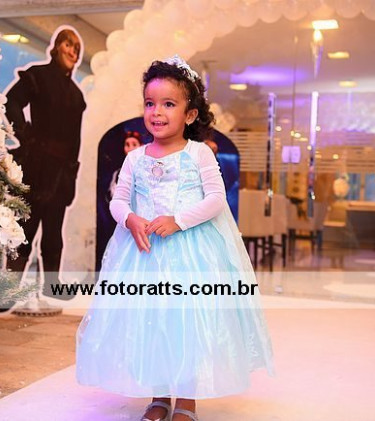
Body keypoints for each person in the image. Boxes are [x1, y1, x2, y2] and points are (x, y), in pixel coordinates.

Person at [76, 56, 273, 421]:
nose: (157, 112)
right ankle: (159, 397)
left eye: (169, 104)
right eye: (150, 103)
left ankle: (186, 400)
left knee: (186, 325)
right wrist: (130, 218)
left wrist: (179, 221)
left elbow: (216, 199)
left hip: (191, 253)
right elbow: (118, 200)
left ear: (190, 114)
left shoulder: (199, 153)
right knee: (152, 323)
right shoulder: (135, 158)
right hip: (145, 254)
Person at [4, 27, 86, 293]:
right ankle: (9, 290)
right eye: (69, 45)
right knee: (26, 228)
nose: (73, 52)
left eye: (77, 48)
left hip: (62, 173)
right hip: (36, 167)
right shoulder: (38, 75)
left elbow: (75, 140)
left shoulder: (76, 94)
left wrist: (71, 172)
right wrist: (24, 134)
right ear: (57, 46)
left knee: (53, 233)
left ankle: (52, 287)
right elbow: (12, 102)